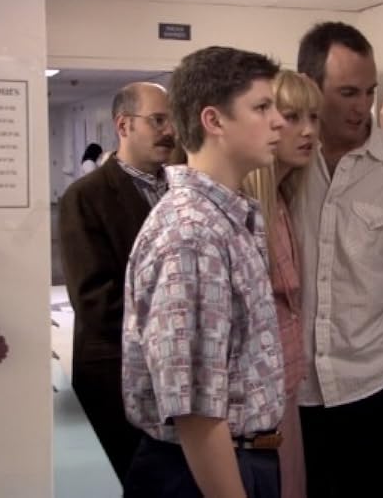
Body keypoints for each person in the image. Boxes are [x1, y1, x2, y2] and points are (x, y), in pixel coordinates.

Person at [122, 46, 288, 498]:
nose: (279, 121)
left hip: (236, 457)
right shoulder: (192, 234)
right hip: (201, 471)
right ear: (213, 121)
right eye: (261, 107)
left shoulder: (223, 219)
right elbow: (196, 412)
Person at [293, 21, 383, 498]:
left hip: (379, 392)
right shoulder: (281, 162)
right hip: (298, 400)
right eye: (348, 92)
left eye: (371, 91)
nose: (364, 107)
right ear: (310, 88)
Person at [59, 82, 174, 481]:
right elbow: (94, 300)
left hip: (176, 378)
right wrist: (175, 323)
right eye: (158, 120)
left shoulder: (182, 188)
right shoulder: (86, 196)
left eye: (172, 119)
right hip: (115, 374)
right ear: (123, 125)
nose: (169, 130)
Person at [242, 70, 320, 498]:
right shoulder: (247, 210)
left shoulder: (284, 200)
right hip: (256, 407)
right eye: (292, 116)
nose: (308, 130)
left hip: (284, 391)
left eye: (313, 116)